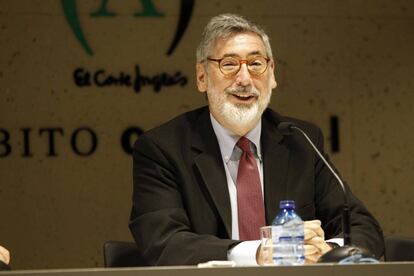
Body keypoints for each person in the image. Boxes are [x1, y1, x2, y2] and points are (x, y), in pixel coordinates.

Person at [129, 13, 384, 266]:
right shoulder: (162, 148)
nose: (244, 79)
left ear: (272, 74)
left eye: (255, 64)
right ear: (202, 77)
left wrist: (324, 250)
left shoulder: (301, 141)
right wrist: (258, 254)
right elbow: (163, 242)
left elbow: (364, 228)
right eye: (229, 64)